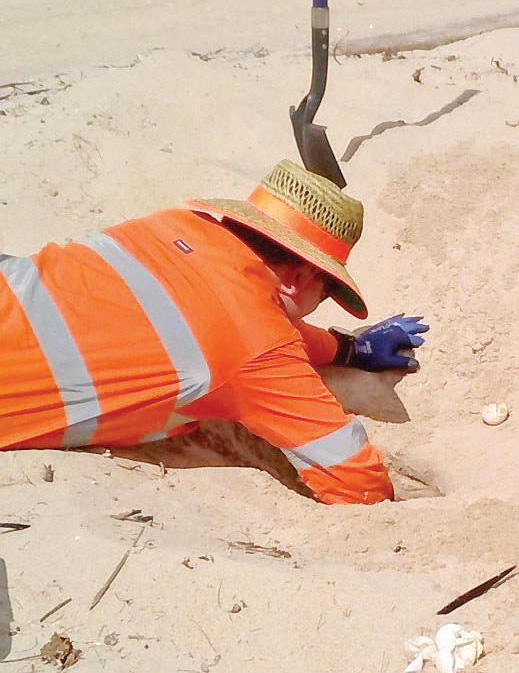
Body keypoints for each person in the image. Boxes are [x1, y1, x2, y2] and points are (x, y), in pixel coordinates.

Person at [0, 159, 428, 504]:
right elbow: (357, 481)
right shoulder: (258, 348)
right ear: (300, 278)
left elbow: (227, 318)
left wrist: (348, 349)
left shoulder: (172, 224)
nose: (322, 302)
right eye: (329, 290)